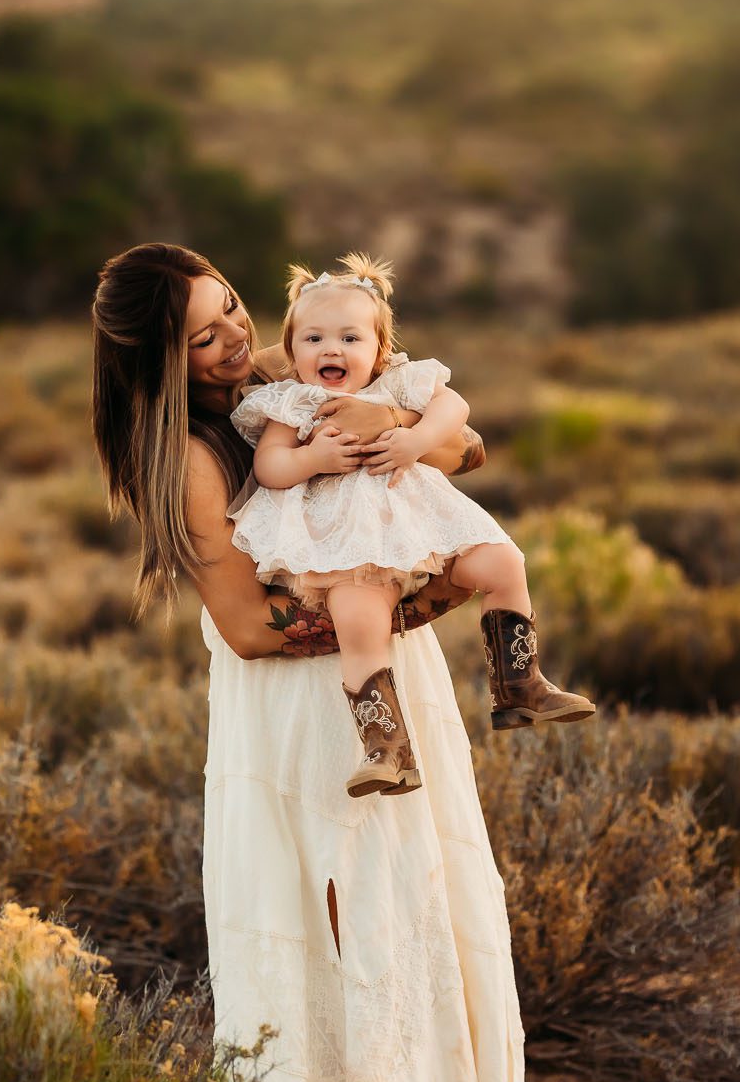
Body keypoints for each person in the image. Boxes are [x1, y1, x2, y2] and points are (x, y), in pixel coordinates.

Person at [91, 242, 532, 1082]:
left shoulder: (293, 377)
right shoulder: (182, 454)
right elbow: (251, 627)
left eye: (233, 311)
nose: (233, 339)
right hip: (301, 702)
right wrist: (425, 593)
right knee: (342, 906)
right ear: (159, 359)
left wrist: (397, 424)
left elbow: (470, 448)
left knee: (420, 891)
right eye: (204, 336)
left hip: (378, 666)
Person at [228, 252, 594, 799]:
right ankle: (385, 748)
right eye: (314, 339)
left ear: (379, 348)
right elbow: (269, 466)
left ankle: (518, 684)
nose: (332, 349)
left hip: (423, 526)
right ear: (291, 350)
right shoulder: (291, 402)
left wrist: (415, 440)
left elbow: (456, 408)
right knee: (359, 622)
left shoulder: (397, 384)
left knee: (504, 563)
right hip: (345, 545)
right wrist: (311, 461)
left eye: (351, 338)